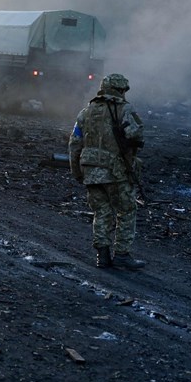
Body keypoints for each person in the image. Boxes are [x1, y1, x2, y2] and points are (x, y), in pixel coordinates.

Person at [69, 73, 145, 269]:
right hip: (114, 171)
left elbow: (74, 143)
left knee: (101, 212)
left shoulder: (85, 112)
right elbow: (136, 135)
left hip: (90, 170)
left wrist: (76, 171)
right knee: (127, 209)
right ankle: (121, 254)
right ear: (121, 90)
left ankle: (102, 256)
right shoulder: (124, 109)